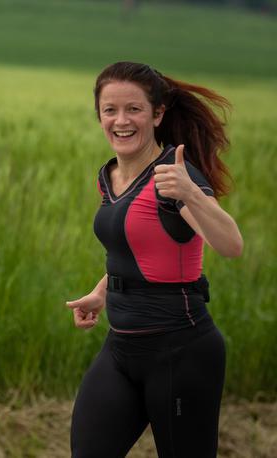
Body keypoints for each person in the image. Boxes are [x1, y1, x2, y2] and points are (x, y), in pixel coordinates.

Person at [66, 62, 243, 457]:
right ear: (99, 115)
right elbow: (135, 248)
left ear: (157, 114)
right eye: (110, 110)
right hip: (121, 348)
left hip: (181, 351)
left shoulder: (175, 177)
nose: (121, 120)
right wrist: (102, 291)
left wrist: (192, 193)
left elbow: (231, 245)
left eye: (134, 109)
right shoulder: (110, 175)